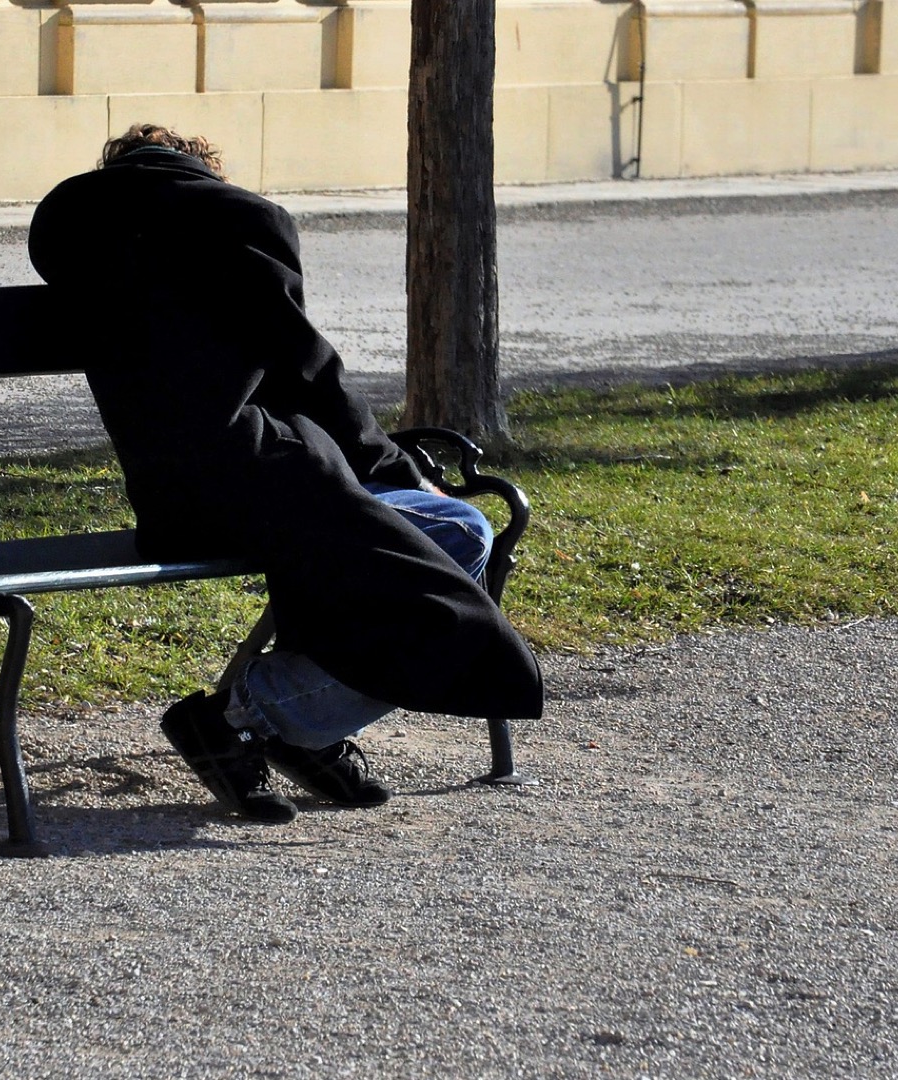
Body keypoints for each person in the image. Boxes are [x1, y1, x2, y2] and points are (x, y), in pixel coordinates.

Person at [28, 125, 543, 823]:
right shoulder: (239, 220)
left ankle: (302, 726)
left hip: (169, 503)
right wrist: (397, 468)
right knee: (461, 530)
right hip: (255, 477)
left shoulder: (71, 228)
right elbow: (305, 369)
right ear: (200, 169)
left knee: (360, 546)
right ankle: (263, 716)